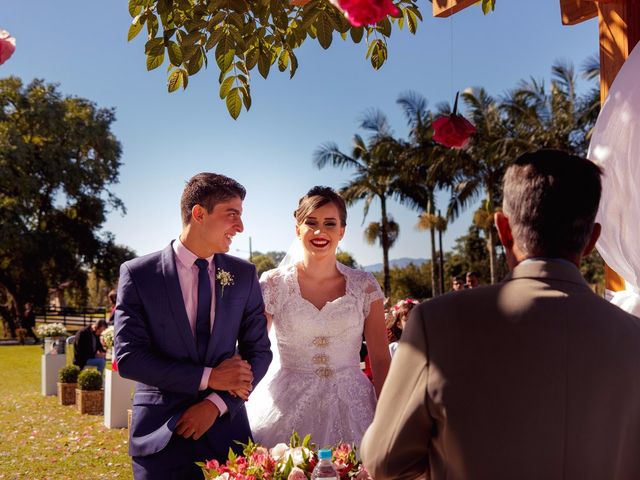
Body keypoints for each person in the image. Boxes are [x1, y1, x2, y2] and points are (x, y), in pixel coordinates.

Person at [361, 149, 640, 479]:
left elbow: (384, 459)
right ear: (592, 239)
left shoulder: (437, 323)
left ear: (503, 229)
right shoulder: (633, 335)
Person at [114, 173, 272, 480]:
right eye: (232, 215)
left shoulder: (244, 274)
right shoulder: (138, 274)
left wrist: (216, 404)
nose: (240, 227)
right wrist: (209, 378)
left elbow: (260, 353)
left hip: (228, 436)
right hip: (161, 434)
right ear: (199, 214)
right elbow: (129, 358)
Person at [248, 186, 390, 447]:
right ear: (297, 229)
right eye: (310, 223)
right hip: (287, 403)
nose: (319, 231)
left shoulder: (365, 286)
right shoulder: (273, 283)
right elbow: (253, 348)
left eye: (329, 223)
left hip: (355, 404)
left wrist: (389, 414)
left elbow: (380, 358)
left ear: (341, 231)